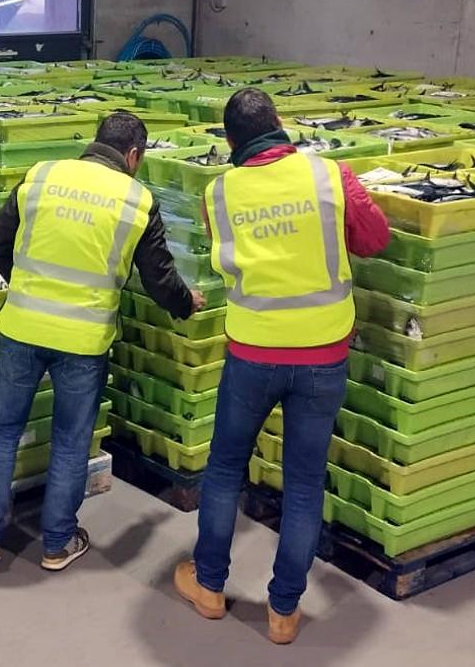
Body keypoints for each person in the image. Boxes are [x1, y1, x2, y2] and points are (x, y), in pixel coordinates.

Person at [175, 88, 390, 644]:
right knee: (303, 482)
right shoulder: (329, 176)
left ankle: (209, 586)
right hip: (323, 354)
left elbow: (227, 258)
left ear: (229, 142)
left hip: (252, 353)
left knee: (225, 470)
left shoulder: (217, 193)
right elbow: (375, 239)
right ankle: (284, 613)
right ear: (279, 123)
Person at [0, 111, 205, 571]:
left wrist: (27, 288)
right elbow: (158, 278)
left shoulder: (42, 175)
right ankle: (57, 543)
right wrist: (184, 303)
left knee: (2, 432)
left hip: (21, 328)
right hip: (84, 339)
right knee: (72, 440)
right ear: (134, 155)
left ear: (95, 142)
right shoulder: (137, 200)